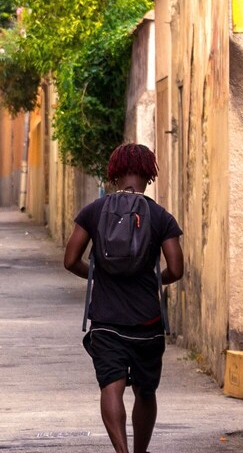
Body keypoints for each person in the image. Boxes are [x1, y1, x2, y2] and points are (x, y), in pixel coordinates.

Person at [61, 144, 184, 453]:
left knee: (111, 386)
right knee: (145, 391)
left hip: (105, 319)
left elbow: (70, 260)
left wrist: (97, 274)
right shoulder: (159, 216)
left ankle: (122, 452)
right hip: (147, 322)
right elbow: (177, 268)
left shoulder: (94, 211)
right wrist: (155, 280)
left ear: (113, 173)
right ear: (148, 174)